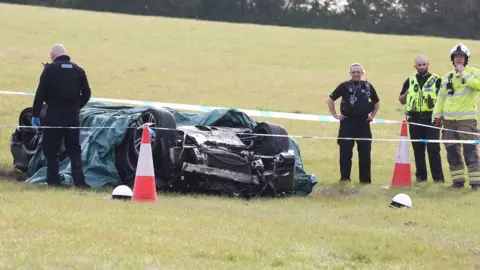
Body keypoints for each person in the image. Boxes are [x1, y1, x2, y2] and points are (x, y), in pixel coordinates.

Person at [31, 44, 91, 188]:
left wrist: (35, 114)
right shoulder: (78, 70)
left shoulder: (49, 70)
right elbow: (87, 94)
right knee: (74, 149)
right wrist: (76, 107)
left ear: (53, 56)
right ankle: (80, 182)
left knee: (50, 148)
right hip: (72, 117)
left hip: (54, 116)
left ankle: (53, 181)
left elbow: (40, 94)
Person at [432, 43, 480, 190]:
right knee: (452, 151)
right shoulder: (447, 77)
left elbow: (478, 86)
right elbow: (441, 98)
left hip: (466, 121)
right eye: (456, 57)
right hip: (448, 121)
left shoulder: (473, 72)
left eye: (461, 57)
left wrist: (463, 73)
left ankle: (476, 184)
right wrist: (436, 116)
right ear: (452, 59)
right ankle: (458, 182)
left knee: (470, 152)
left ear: (466, 59)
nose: (458, 59)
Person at [327, 63, 380, 184]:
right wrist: (335, 115)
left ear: (362, 73)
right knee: (345, 152)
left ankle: (365, 180)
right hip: (347, 123)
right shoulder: (344, 86)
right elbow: (330, 99)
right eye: (353, 72)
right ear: (350, 73)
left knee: (365, 152)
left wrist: (372, 116)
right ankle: (345, 178)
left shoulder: (368, 86)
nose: (356, 74)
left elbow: (376, 102)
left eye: (358, 72)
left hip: (363, 124)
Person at [398, 55, 445, 183]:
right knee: (418, 148)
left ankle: (438, 178)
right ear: (415, 66)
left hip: (432, 118)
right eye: (419, 65)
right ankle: (421, 177)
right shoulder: (410, 80)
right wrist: (408, 92)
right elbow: (401, 100)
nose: (422, 67)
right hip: (414, 119)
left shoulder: (437, 80)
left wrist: (440, 120)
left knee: (433, 148)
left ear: (428, 65)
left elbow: (444, 100)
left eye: (424, 64)